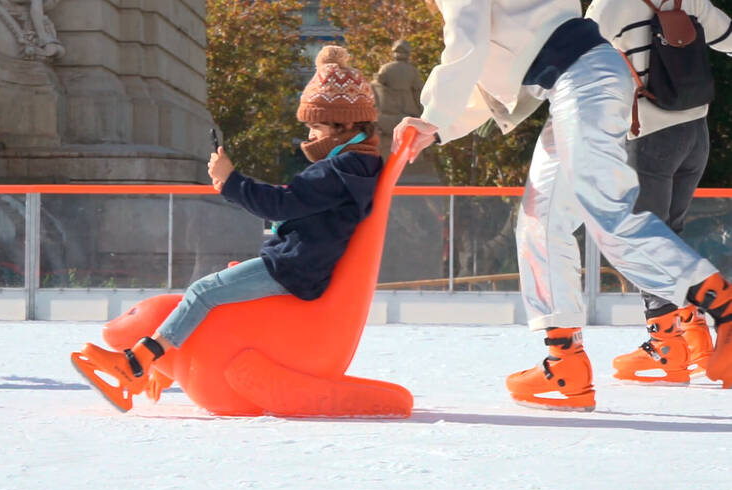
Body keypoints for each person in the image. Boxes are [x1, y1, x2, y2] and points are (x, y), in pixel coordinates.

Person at [393, 0, 732, 411]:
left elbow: (466, 48)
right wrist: (438, 127)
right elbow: (487, 73)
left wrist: (431, 115)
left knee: (608, 214)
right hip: (582, 84)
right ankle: (565, 361)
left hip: (585, 84)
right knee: (541, 221)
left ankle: (721, 304)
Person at [73, 45, 383, 409]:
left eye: (316, 126)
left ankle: (134, 365)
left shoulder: (336, 172)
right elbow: (294, 200)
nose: (311, 137)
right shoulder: (353, 168)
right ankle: (151, 365)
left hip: (294, 269)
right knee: (213, 291)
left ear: (344, 124)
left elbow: (278, 203)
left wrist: (230, 180)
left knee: (203, 292)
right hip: (301, 264)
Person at [585, 0, 732, 383]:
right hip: (694, 133)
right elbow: (728, 37)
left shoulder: (612, 4)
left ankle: (666, 345)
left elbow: (579, 59)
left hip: (648, 134)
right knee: (672, 235)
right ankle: (695, 336)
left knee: (642, 240)